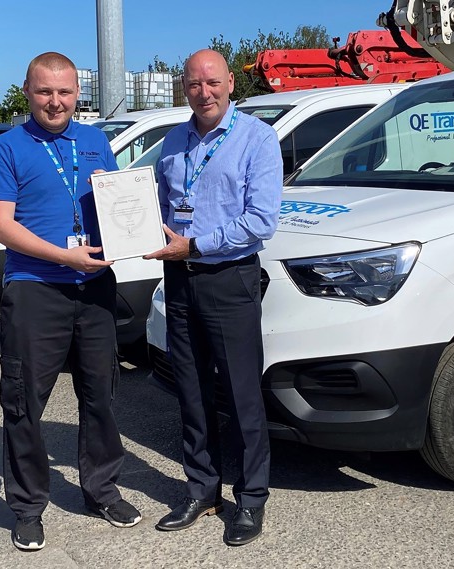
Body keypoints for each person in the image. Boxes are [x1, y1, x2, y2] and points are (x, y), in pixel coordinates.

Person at [0, 51, 142, 552]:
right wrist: (63, 257)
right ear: (27, 92)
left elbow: (120, 200)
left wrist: (136, 233)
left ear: (78, 94)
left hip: (93, 285)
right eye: (45, 91)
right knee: (26, 400)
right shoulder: (6, 148)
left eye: (65, 92)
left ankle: (101, 489)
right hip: (35, 287)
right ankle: (28, 506)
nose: (55, 101)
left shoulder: (95, 141)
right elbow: (0, 223)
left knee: (101, 395)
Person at [144, 49, 283, 546]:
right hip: (179, 277)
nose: (204, 92)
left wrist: (196, 245)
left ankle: (251, 499)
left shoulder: (257, 139)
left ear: (230, 85)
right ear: (185, 88)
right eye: (194, 84)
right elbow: (156, 204)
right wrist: (139, 232)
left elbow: (261, 220)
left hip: (228, 278)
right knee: (192, 391)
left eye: (212, 83)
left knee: (242, 395)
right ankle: (201, 489)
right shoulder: (173, 141)